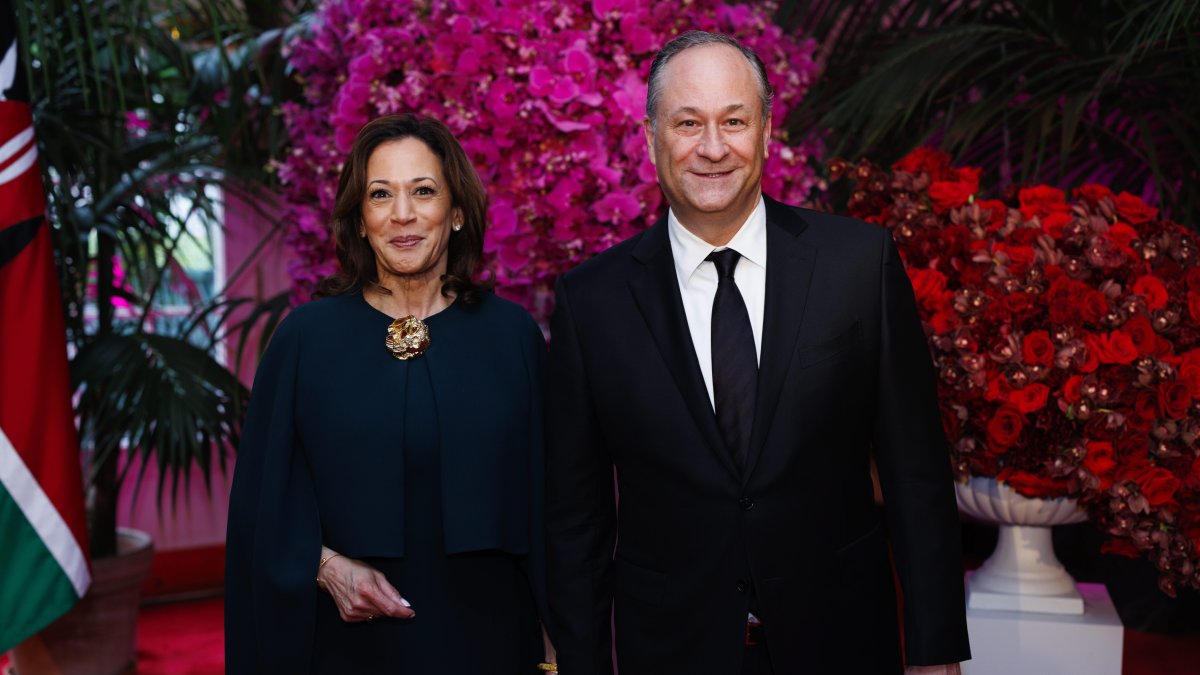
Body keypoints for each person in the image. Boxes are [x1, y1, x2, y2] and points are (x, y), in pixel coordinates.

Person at [545, 31, 971, 674]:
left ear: (767, 131)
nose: (712, 148)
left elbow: (917, 474)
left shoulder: (857, 265)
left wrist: (936, 651)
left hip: (842, 640)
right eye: (688, 123)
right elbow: (576, 517)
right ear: (650, 136)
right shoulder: (591, 301)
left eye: (734, 121)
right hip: (671, 650)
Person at [225, 114, 549, 674]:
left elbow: (556, 512)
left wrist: (554, 657)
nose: (403, 213)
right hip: (346, 650)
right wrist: (324, 565)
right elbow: (261, 507)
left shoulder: (512, 337)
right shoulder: (305, 340)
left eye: (423, 191)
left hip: (492, 645)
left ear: (458, 213)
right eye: (381, 194)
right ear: (359, 220)